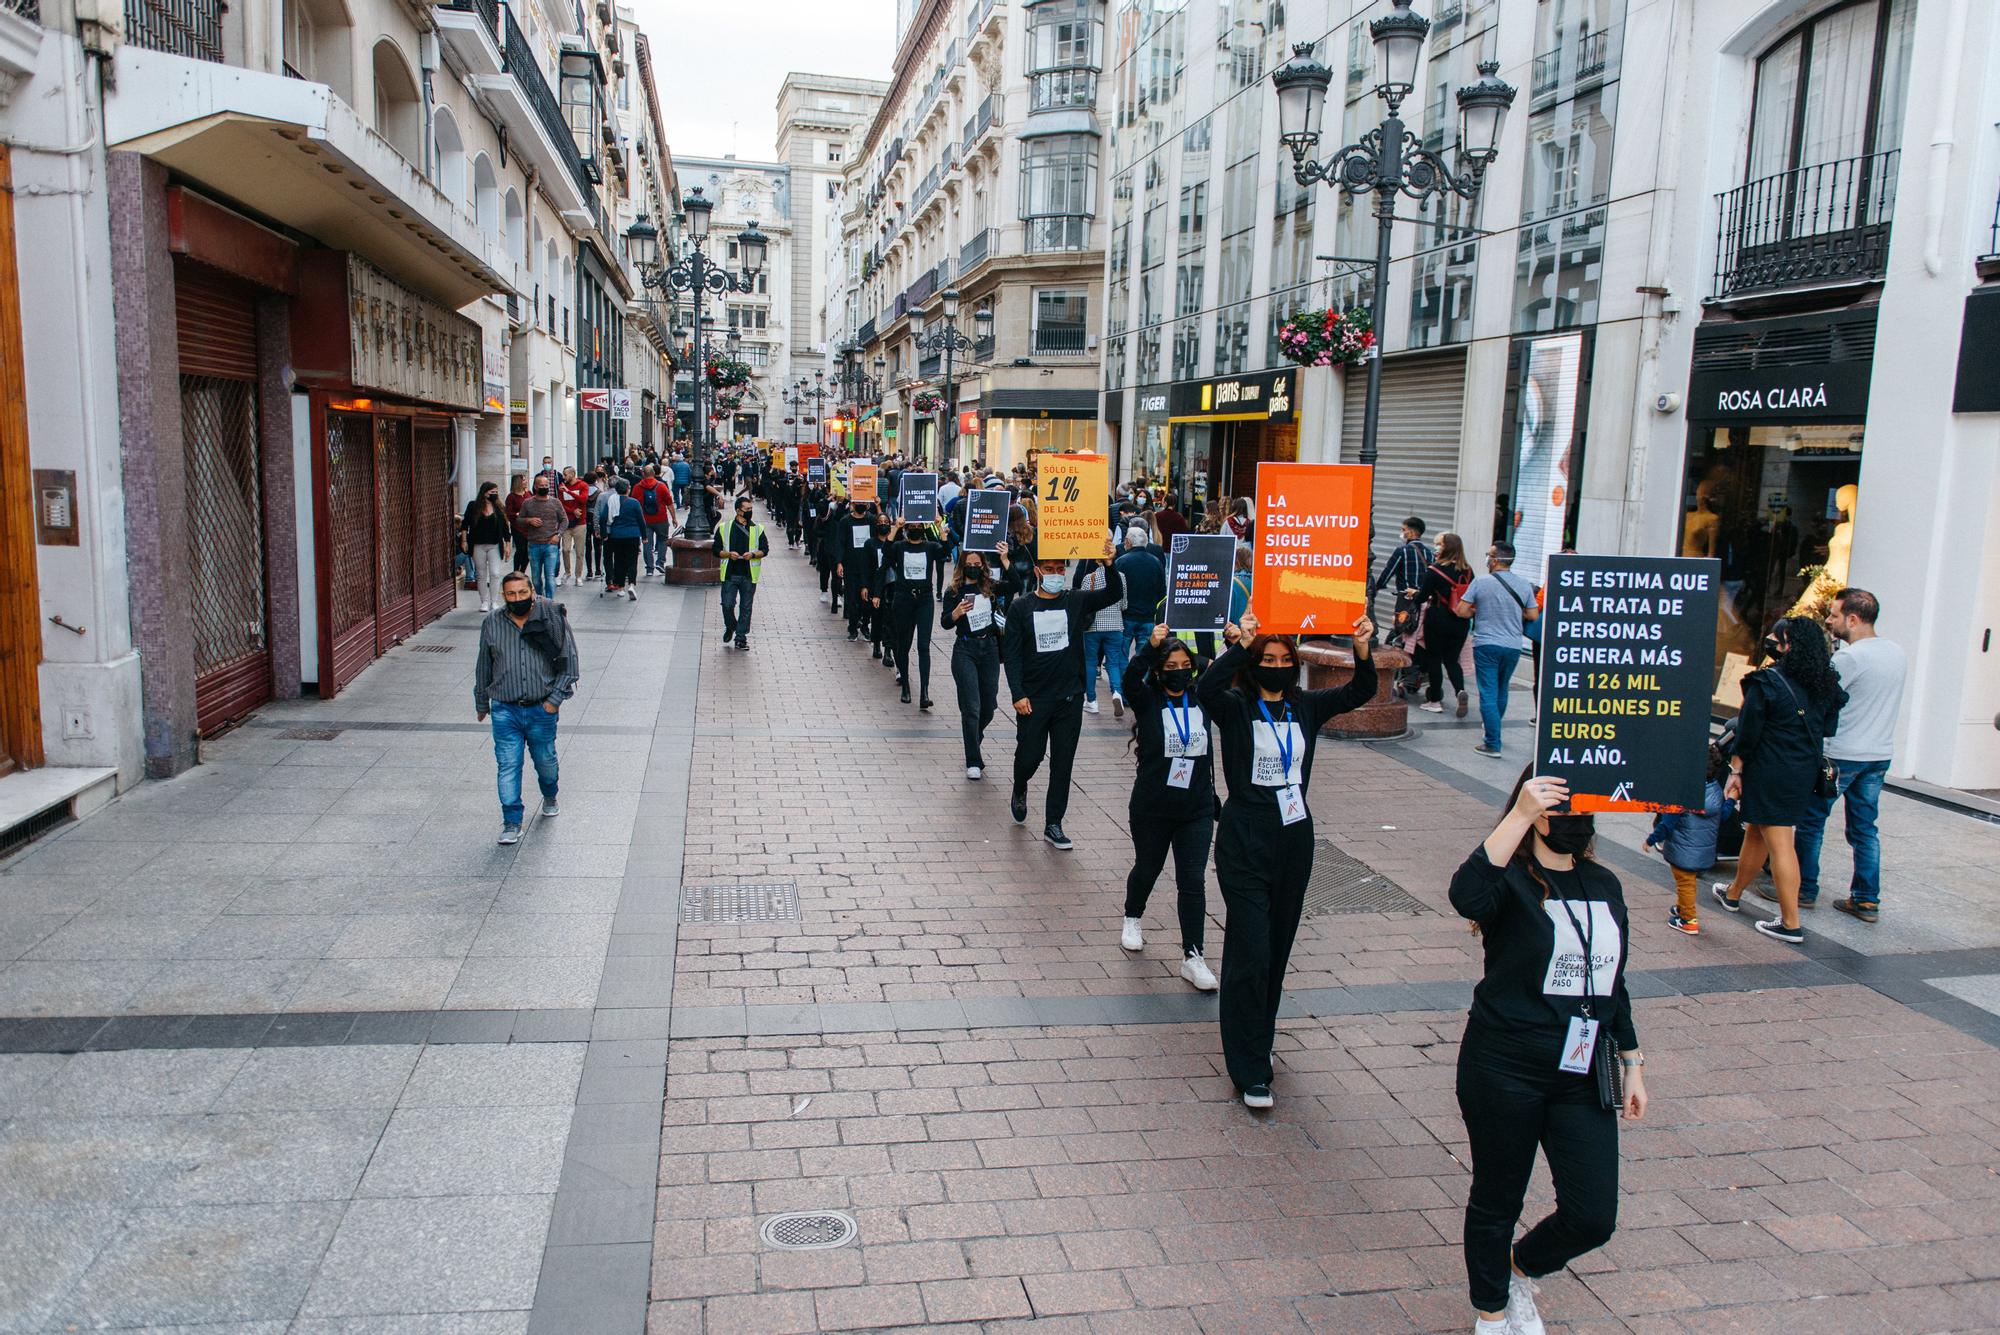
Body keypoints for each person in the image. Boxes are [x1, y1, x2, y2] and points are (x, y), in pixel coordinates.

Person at [1449, 771, 1647, 1335]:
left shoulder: (1605, 883)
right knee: (1497, 1198)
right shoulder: (1508, 882)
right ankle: (1490, 1312)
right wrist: (1516, 814)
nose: (1575, 824)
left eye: (1584, 812)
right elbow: (1465, 892)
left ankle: (1520, 1269)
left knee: (1592, 1215)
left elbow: (1614, 981)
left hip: (1582, 1069)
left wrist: (1633, 1062)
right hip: (1504, 1064)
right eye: (1560, 810)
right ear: (1535, 815)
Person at [1196, 608, 1376, 1109]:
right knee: (1250, 950)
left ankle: (1262, 1037)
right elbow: (1205, 691)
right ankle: (1247, 1066)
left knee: (1275, 950)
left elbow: (1359, 693)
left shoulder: (1306, 706)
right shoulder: (1235, 707)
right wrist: (1239, 644)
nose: (1277, 665)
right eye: (1268, 658)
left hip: (1294, 837)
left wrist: (1362, 650)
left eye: (1284, 658)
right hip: (1245, 836)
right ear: (1255, 665)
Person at [1712, 616, 1847, 944]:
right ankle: (1733, 893)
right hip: (1802, 770)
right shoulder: (1826, 684)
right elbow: (1828, 728)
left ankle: (1790, 922)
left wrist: (1737, 770)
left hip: (1769, 769)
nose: (1771, 640)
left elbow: (1747, 732)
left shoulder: (1767, 682)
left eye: (1777, 636)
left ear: (1789, 645)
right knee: (1756, 831)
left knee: (1780, 841)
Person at [1001, 539, 1122, 849]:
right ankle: (1020, 783)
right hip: (1034, 699)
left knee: (1063, 762)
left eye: (1060, 569)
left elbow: (1113, 594)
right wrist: (1018, 693)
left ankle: (1053, 823)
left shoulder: (1075, 600)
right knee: (1031, 755)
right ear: (1039, 572)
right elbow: (1012, 655)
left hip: (1069, 696)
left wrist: (1109, 564)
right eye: (1050, 569)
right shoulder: (1021, 607)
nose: (1056, 574)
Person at [1121, 624, 1219, 991]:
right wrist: (1150, 646)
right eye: (1171, 665)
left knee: (1192, 879)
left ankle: (1193, 956)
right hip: (1152, 806)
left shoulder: (1203, 697)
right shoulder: (1147, 699)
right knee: (1149, 866)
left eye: (1185, 665)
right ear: (1160, 670)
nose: (1179, 670)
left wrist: (1237, 643)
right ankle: (1133, 915)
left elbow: (1223, 670)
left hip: (1196, 807)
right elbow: (1131, 676)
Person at [1797, 588, 1904, 923]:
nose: (1829, 620)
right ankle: (1866, 899)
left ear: (1853, 619)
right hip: (1878, 753)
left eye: (1834, 614)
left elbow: (1817, 695)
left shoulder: (1850, 658)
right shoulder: (1896, 652)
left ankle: (1803, 888)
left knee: (1812, 821)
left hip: (1841, 754)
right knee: (1864, 829)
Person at [474, 571, 580, 845]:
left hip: (540, 708)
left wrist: (553, 702)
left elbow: (570, 663)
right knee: (508, 764)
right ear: (503, 596)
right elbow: (484, 664)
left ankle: (550, 793)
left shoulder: (551, 617)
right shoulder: (492, 623)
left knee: (545, 760)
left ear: (532, 591)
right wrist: (481, 702)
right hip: (505, 709)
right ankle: (511, 822)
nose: (517, 598)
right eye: (511, 594)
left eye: (522, 593)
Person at [1456, 541, 1539, 758]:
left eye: (1488, 554)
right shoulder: (1524, 585)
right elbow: (1533, 615)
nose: (1486, 558)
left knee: (1488, 692)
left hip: (1486, 644)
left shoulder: (1481, 582)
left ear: (1494, 559)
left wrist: (1479, 610)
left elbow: (1461, 611)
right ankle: (1493, 728)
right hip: (1512, 646)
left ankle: (1492, 742)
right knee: (1502, 689)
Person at [1645, 747, 1731, 935]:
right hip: (1704, 851)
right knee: (1687, 882)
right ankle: (1682, 907)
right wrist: (1731, 800)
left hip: (1683, 850)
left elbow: (1667, 824)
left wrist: (1651, 840)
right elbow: (1723, 815)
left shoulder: (1683, 794)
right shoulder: (1715, 790)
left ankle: (1688, 920)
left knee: (1685, 883)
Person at [943, 545, 1008, 778]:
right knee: (971, 707)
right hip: (965, 650)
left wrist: (1005, 558)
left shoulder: (989, 587)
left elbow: (1017, 586)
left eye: (977, 564)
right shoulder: (954, 591)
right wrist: (956, 613)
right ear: (963, 565)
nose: (973, 567)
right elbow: (945, 623)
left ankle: (974, 738)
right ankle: (973, 759)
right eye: (969, 563)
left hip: (989, 648)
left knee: (988, 707)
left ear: (983, 566)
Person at [882, 518, 943, 707]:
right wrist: (896, 527)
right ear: (907, 529)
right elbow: (886, 552)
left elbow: (946, 550)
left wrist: (938, 526)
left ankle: (924, 691)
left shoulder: (930, 546)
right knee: (903, 644)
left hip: (924, 599)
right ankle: (906, 686)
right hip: (903, 599)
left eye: (919, 526)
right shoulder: (899, 547)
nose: (915, 529)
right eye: (912, 526)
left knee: (924, 645)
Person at [1414, 532, 1475, 717]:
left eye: (1439, 544)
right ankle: (1459, 692)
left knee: (1435, 659)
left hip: (1438, 619)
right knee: (1451, 660)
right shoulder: (1469, 571)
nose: (1436, 547)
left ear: (1447, 547)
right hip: (1461, 621)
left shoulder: (1435, 570)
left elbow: (1422, 597)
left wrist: (1414, 595)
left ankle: (1434, 701)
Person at [713, 493, 769, 651]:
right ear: (738, 511)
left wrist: (752, 555)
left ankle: (741, 638)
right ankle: (731, 626)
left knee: (746, 607)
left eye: (751, 508)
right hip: (730, 574)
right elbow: (715, 550)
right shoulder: (724, 528)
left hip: (749, 575)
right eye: (747, 509)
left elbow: (765, 550)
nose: (750, 511)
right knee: (727, 604)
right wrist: (728, 554)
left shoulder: (758, 529)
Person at [1076, 556, 1126, 717]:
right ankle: (1117, 692)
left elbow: (1083, 602)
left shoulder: (1089, 578)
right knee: (1113, 663)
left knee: (1090, 662)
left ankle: (1091, 701)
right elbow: (1124, 603)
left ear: (1097, 561)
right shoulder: (1121, 577)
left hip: (1093, 627)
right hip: (1115, 626)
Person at [1114, 525, 1166, 669]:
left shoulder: (1121, 562)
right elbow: (1162, 592)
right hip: (1148, 616)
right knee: (1145, 655)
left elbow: (1114, 590)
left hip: (1126, 616)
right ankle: (1141, 684)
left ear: (1128, 542)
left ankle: (1124, 683)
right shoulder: (1156, 562)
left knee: (1121, 654)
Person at [513, 475, 568, 598]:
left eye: (546, 485)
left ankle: (549, 602)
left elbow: (564, 520)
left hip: (550, 544)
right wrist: (529, 520)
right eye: (541, 485)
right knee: (536, 578)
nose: (544, 487)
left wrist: (558, 535)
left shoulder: (555, 502)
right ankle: (539, 598)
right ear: (536, 487)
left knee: (549, 576)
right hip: (534, 544)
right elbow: (519, 520)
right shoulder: (528, 503)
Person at [1371, 516, 1432, 627]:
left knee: (1402, 626)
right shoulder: (1429, 553)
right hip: (1423, 598)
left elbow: (1388, 572)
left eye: (1403, 530)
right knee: (1417, 628)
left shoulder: (1402, 551)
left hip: (1406, 598)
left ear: (1411, 532)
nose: (1402, 533)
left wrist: (1377, 588)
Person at [594, 474, 646, 600]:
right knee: (632, 560)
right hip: (633, 535)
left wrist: (604, 535)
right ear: (628, 489)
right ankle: (632, 585)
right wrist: (644, 537)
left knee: (619, 561)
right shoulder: (634, 503)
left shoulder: (612, 501)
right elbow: (641, 521)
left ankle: (621, 587)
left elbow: (602, 518)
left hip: (616, 535)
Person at [461, 483, 510, 612]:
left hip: (494, 544)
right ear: (484, 493)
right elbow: (465, 524)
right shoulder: (473, 506)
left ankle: (494, 601)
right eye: (492, 492)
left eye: (496, 492)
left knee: (495, 573)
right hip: (478, 544)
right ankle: (484, 601)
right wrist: (464, 541)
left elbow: (505, 528)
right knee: (481, 574)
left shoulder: (498, 507)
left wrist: (507, 544)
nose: (494, 494)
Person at [837, 501, 879, 645]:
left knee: (867, 601)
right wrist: (839, 562)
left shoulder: (872, 520)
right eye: (858, 502)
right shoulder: (845, 521)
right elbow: (841, 542)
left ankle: (865, 626)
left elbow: (882, 530)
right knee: (852, 600)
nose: (860, 504)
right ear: (853, 503)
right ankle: (853, 628)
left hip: (869, 568)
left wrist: (878, 505)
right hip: (851, 567)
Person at [632, 465, 678, 577]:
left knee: (647, 543)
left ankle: (649, 568)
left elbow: (634, 504)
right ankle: (660, 563)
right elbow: (669, 503)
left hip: (644, 520)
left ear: (643, 474)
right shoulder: (661, 486)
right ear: (654, 473)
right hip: (661, 518)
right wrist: (673, 518)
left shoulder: (637, 487)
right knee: (663, 540)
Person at [558, 467, 591, 587]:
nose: (564, 477)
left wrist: (569, 491)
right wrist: (572, 511)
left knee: (579, 551)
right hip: (567, 522)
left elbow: (583, 500)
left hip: (580, 523)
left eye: (566, 474)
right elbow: (560, 504)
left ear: (572, 474)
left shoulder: (582, 485)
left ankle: (578, 575)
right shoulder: (561, 487)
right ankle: (567, 572)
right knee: (566, 549)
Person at [504, 474, 532, 574]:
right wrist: (517, 514)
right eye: (523, 480)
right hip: (518, 527)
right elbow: (508, 512)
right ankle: (516, 571)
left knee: (528, 551)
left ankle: (522, 571)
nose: (525, 481)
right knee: (521, 549)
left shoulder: (528, 493)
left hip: (529, 526)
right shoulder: (511, 497)